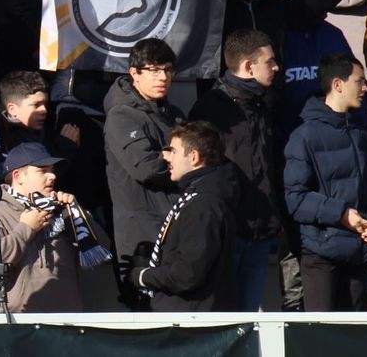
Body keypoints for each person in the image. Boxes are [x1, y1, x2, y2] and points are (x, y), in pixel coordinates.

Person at [284, 53, 367, 311]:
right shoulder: (304, 135)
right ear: (337, 84)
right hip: (321, 255)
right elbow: (295, 199)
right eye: (360, 81)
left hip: (360, 254)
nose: (366, 88)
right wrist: (342, 214)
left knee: (353, 339)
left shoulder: (364, 137)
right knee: (321, 339)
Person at [190, 28, 282, 312]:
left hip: (260, 231)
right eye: (270, 61)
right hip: (228, 233)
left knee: (248, 317)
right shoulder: (211, 108)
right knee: (223, 318)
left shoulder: (261, 104)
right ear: (248, 66)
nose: (277, 67)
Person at [134, 121, 239, 312]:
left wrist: (143, 276)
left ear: (193, 157)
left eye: (173, 151)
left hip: (191, 321)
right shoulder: (197, 197)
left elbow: (187, 274)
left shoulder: (203, 204)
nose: (166, 157)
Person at [104, 37, 183, 285]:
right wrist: (181, 160)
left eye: (168, 70)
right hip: (142, 232)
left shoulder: (174, 114)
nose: (163, 77)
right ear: (134, 73)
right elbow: (146, 167)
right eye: (154, 70)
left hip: (177, 224)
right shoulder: (121, 116)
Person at [0, 141, 105, 313]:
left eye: (52, 171)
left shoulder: (63, 209)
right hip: (20, 320)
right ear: (18, 176)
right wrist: (26, 228)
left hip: (70, 319)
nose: (52, 176)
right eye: (42, 170)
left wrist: (78, 214)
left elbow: (103, 254)